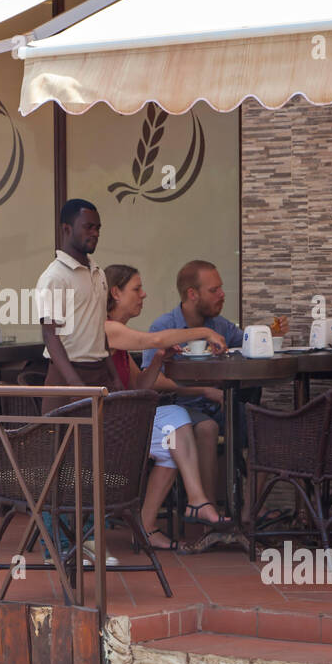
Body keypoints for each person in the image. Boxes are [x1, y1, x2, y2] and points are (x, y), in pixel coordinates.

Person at [105, 264, 232, 548]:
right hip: (105, 426)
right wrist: (203, 332)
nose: (143, 294)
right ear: (115, 293)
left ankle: (150, 526)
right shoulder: (108, 329)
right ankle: (197, 501)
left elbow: (141, 386)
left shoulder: (120, 335)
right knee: (176, 417)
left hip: (122, 420)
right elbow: (156, 338)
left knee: (172, 442)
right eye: (136, 289)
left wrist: (159, 361)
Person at [142, 260, 250, 512]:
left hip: (220, 404)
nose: (222, 295)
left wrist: (268, 336)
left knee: (265, 425)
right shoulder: (163, 327)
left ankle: (248, 512)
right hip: (180, 406)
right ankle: (206, 513)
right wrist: (203, 390)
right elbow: (154, 380)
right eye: (214, 290)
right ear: (192, 294)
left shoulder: (220, 325)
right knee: (208, 428)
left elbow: (245, 343)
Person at [36, 199, 121, 414]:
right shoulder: (54, 277)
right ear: (67, 229)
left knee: (103, 445)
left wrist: (114, 377)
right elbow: (49, 335)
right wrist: (74, 382)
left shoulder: (98, 272)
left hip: (99, 373)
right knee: (66, 446)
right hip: (67, 377)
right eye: (88, 227)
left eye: (98, 228)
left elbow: (99, 330)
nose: (95, 233)